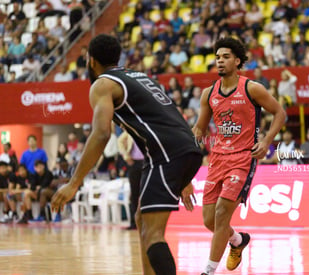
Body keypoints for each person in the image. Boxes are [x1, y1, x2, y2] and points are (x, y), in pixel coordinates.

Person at [51, 34, 202, 275]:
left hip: (167, 155)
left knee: (153, 234)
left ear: (91, 61)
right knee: (142, 219)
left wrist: (74, 182)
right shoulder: (141, 77)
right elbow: (169, 120)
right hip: (183, 149)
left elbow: (101, 135)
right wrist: (184, 175)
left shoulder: (102, 84)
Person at [192, 37, 286, 275]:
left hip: (243, 158)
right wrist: (186, 139)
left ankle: (209, 270)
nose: (220, 61)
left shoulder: (252, 88)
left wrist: (265, 141)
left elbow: (279, 113)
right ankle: (237, 240)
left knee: (222, 212)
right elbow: (200, 130)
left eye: (225, 57)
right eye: (217, 57)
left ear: (237, 61)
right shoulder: (208, 94)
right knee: (209, 221)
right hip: (217, 159)